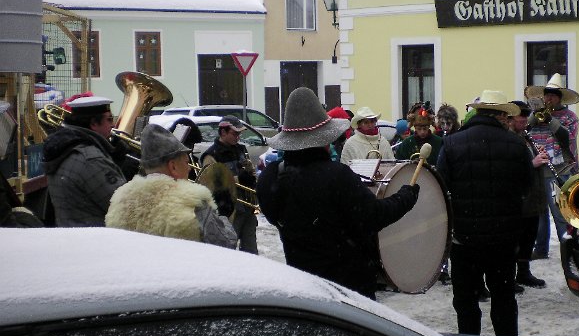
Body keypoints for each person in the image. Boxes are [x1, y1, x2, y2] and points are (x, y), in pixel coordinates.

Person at [256, 87, 420, 299]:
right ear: (325, 140)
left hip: (303, 284)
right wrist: (406, 196)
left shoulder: (271, 176)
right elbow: (374, 216)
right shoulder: (336, 176)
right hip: (348, 287)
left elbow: (275, 216)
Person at [437, 90, 533, 336]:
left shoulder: (451, 143)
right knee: (503, 298)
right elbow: (526, 185)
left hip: (464, 239)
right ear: (502, 115)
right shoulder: (516, 144)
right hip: (503, 239)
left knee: (466, 301)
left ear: (477, 112)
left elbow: (441, 186)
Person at [106, 124, 237, 248]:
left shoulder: (120, 199)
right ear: (173, 166)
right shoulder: (193, 201)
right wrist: (222, 215)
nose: (189, 169)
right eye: (186, 163)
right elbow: (226, 243)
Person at [42, 95, 126, 227]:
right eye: (109, 119)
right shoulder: (91, 160)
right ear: (93, 123)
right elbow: (125, 206)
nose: (113, 124)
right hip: (97, 238)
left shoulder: (66, 148)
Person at [527, 73, 579, 257]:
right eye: (546, 94)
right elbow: (525, 130)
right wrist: (536, 115)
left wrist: (550, 119)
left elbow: (568, 139)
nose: (548, 98)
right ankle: (541, 248)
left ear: (559, 98)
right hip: (538, 167)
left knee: (559, 213)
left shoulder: (570, 117)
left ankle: (568, 249)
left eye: (552, 95)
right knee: (540, 212)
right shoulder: (535, 114)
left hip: (559, 170)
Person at [200, 115, 258, 254]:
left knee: (251, 251)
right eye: (234, 133)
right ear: (223, 132)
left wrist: (251, 176)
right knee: (228, 251)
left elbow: (249, 171)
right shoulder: (210, 155)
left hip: (247, 208)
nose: (238, 137)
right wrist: (239, 179)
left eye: (239, 134)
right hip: (228, 212)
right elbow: (212, 186)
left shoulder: (241, 149)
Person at [508, 101, 549, 289]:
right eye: (521, 116)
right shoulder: (508, 139)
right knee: (516, 239)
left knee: (528, 238)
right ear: (510, 119)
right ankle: (510, 275)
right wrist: (533, 163)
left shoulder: (525, 137)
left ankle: (523, 272)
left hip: (533, 197)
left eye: (526, 115)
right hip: (519, 199)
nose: (525, 119)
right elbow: (510, 168)